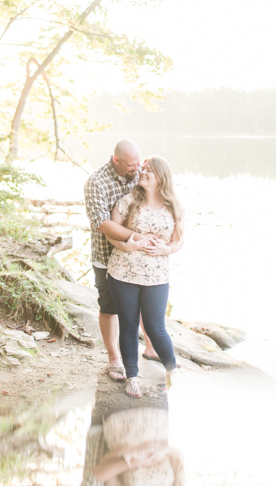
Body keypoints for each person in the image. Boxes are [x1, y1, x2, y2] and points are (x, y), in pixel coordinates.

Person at [105, 156, 184, 398]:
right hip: (123, 272)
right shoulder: (128, 202)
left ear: (161, 177)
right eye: (143, 169)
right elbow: (110, 232)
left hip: (157, 276)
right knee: (128, 325)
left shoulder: (173, 206)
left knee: (156, 327)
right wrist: (126, 245)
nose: (143, 172)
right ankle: (132, 378)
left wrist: (167, 249)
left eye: (149, 170)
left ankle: (172, 371)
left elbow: (179, 239)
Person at [85, 140, 161, 383]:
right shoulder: (96, 182)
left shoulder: (139, 172)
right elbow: (100, 222)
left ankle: (151, 348)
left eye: (138, 164)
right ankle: (114, 358)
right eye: (130, 165)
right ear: (115, 159)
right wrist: (136, 236)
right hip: (107, 255)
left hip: (139, 255)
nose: (136, 169)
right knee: (109, 306)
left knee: (146, 302)